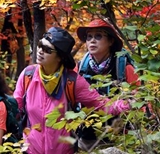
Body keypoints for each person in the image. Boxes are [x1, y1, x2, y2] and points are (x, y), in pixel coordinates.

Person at [14, 26, 130, 154]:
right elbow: (16, 108)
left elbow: (101, 104)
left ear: (59, 57)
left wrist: (130, 104)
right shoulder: (27, 75)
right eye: (40, 45)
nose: (40, 51)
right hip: (31, 150)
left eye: (47, 50)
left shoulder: (72, 81)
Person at [75, 18, 138, 150]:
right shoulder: (80, 68)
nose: (92, 40)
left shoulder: (123, 67)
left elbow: (139, 100)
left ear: (110, 41)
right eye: (89, 37)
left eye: (98, 36)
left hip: (120, 136)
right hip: (87, 136)